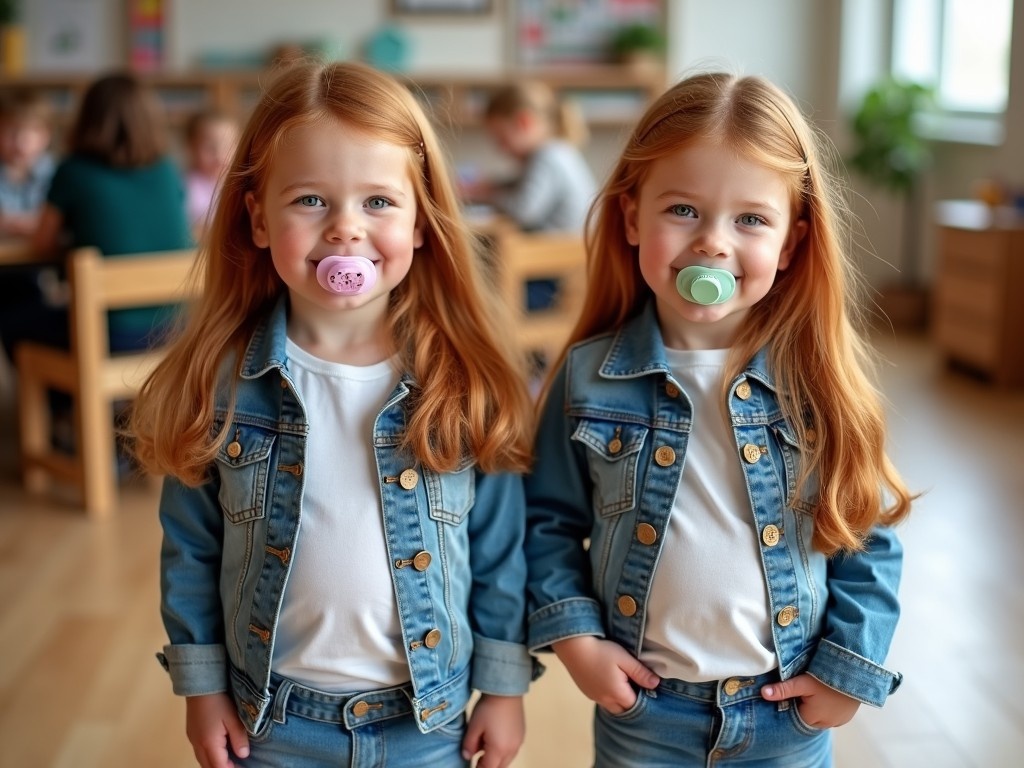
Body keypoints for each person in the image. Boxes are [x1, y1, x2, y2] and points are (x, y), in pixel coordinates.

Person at [128, 60, 536, 768]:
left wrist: (503, 689)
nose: (346, 230)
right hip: (272, 719)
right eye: (311, 200)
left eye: (378, 202)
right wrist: (201, 689)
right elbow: (190, 550)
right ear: (258, 218)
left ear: (421, 222)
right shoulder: (219, 385)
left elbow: (501, 552)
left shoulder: (461, 382)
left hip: (427, 721)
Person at [523, 71, 915, 767]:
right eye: (683, 211)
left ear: (791, 244)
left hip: (783, 714)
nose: (713, 243)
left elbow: (867, 527)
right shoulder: (588, 376)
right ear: (631, 216)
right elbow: (546, 524)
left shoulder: (818, 381)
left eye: (750, 220)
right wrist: (577, 640)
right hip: (645, 713)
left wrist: (847, 667)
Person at [0, 71, 192, 362]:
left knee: (12, 319)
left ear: (86, 117)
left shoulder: (73, 170)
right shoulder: (167, 169)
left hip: (109, 335)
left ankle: (65, 402)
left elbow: (43, 243)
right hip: (175, 329)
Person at [463, 80, 597, 313]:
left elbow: (524, 209)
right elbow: (519, 186)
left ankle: (513, 341)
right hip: (562, 263)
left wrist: (486, 194)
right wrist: (490, 187)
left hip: (549, 268)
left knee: (483, 278)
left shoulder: (548, 157)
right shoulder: (558, 152)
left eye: (501, 138)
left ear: (523, 122)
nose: (500, 148)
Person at [0, 87, 55, 237]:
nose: (20, 143)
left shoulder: (57, 174)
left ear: (46, 136)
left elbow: (60, 224)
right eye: (11, 133)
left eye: (31, 133)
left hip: (46, 257)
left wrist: (8, 222)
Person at [182, 107, 239, 240]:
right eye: (209, 147)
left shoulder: (239, 183)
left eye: (227, 146)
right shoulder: (187, 185)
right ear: (191, 148)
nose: (219, 155)